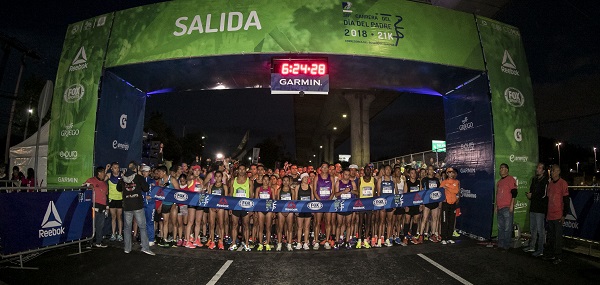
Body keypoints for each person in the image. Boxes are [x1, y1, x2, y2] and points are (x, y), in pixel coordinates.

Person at [117, 168, 154, 255]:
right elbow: (146, 188)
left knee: (127, 228)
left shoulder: (123, 179)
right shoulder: (138, 177)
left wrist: (121, 179)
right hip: (137, 205)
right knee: (142, 227)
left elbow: (118, 189)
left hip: (127, 206)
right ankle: (145, 248)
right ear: (135, 170)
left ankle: (127, 248)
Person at [544, 164, 570, 264]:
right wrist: (547, 214)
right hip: (550, 215)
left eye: (554, 170)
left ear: (558, 172)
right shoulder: (550, 184)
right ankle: (551, 254)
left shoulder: (563, 183)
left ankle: (558, 256)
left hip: (558, 215)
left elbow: (566, 200)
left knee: (558, 237)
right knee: (551, 236)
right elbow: (547, 200)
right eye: (551, 170)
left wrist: (564, 215)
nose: (552, 172)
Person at [524, 162, 548, 257]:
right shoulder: (534, 179)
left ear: (543, 171)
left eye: (539, 168)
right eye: (537, 167)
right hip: (533, 207)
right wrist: (530, 195)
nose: (537, 169)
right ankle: (532, 246)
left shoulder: (545, 181)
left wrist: (532, 195)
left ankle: (540, 249)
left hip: (540, 209)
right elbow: (531, 191)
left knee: (540, 230)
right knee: (532, 229)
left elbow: (544, 194)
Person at [229, 164, 253, 251]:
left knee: (246, 225)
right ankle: (233, 243)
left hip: (246, 206)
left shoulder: (249, 181)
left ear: (245, 171)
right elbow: (231, 194)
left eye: (243, 169)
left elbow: (251, 195)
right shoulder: (233, 180)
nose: (242, 171)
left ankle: (246, 243)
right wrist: (230, 207)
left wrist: (251, 208)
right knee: (234, 225)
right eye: (240, 169)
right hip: (235, 206)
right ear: (238, 170)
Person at [85, 166, 109, 248]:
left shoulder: (105, 184)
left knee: (100, 225)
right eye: (103, 172)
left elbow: (106, 195)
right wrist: (88, 186)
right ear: (99, 173)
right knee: (92, 225)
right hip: (93, 206)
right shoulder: (91, 180)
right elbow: (83, 186)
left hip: (102, 207)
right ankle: (89, 242)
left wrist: (107, 207)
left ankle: (98, 241)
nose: (104, 174)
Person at [333, 168, 358, 249]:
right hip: (340, 205)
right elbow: (336, 194)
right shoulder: (338, 182)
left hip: (349, 205)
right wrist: (342, 192)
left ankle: (347, 240)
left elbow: (357, 192)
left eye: (348, 175)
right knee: (339, 224)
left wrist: (350, 190)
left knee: (348, 224)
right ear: (342, 175)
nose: (347, 176)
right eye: (345, 174)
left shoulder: (352, 182)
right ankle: (337, 241)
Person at [312, 162, 334, 250]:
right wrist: (319, 200)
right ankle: (316, 241)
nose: (324, 169)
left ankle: (327, 241)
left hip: (328, 203)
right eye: (323, 167)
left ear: (328, 169)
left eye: (326, 167)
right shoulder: (317, 177)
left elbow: (333, 191)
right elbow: (314, 190)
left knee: (328, 222)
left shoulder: (331, 177)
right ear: (320, 168)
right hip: (319, 202)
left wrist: (329, 201)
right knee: (317, 222)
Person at [495, 163, 517, 250]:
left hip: (507, 207)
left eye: (502, 168)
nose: (500, 169)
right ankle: (500, 245)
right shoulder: (499, 182)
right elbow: (498, 194)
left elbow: (514, 192)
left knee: (507, 228)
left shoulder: (511, 179)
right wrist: (496, 206)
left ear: (507, 170)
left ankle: (506, 246)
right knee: (501, 228)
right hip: (500, 207)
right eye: (500, 168)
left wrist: (511, 204)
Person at [419, 166, 441, 243]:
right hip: (427, 202)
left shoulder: (437, 180)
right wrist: (421, 203)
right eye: (429, 169)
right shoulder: (424, 180)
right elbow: (421, 191)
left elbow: (439, 190)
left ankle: (433, 235)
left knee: (434, 219)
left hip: (435, 202)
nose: (431, 171)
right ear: (427, 171)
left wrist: (439, 201)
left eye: (432, 169)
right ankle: (421, 235)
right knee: (424, 219)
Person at [207, 171, 228, 250]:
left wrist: (220, 206)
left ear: (221, 177)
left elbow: (226, 199)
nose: (218, 178)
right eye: (216, 176)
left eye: (219, 176)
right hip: (212, 207)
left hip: (221, 207)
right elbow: (209, 197)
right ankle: (212, 241)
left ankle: (221, 241)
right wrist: (211, 206)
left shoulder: (224, 186)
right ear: (214, 177)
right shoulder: (211, 186)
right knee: (211, 224)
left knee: (221, 224)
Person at [356, 164, 375, 249]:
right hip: (361, 204)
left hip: (370, 204)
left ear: (371, 171)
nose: (368, 171)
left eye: (369, 170)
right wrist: (357, 205)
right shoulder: (360, 180)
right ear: (363, 171)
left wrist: (374, 205)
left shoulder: (374, 180)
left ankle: (366, 240)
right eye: (366, 169)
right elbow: (358, 193)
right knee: (360, 222)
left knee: (368, 223)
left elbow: (375, 193)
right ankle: (359, 240)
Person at [440, 167, 459, 245]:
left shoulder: (456, 182)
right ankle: (443, 238)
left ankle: (450, 237)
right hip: (445, 204)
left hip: (453, 204)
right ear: (447, 173)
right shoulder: (443, 182)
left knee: (451, 221)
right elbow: (440, 191)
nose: (451, 174)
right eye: (450, 172)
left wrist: (447, 188)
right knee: (444, 221)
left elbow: (456, 191)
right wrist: (448, 188)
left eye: (452, 172)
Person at [105, 162, 124, 242]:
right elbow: (102, 179)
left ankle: (119, 234)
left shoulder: (122, 175)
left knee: (119, 217)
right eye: (115, 167)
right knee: (113, 217)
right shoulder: (109, 175)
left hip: (120, 199)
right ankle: (113, 234)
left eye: (118, 167)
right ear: (112, 168)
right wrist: (106, 169)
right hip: (111, 199)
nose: (117, 168)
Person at [255, 175, 274, 251]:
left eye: (267, 180)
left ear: (269, 181)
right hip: (260, 209)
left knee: (268, 228)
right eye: (264, 180)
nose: (265, 181)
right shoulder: (258, 189)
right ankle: (260, 243)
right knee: (261, 227)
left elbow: (274, 201)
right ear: (262, 181)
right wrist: (256, 211)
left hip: (269, 209)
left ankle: (268, 243)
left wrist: (273, 212)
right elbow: (256, 201)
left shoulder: (271, 189)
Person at [276, 176, 295, 251]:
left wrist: (291, 210)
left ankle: (289, 244)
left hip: (290, 211)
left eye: (287, 180)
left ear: (289, 182)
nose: (286, 182)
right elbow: (277, 201)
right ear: (282, 181)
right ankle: (279, 244)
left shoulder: (292, 190)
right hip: (281, 211)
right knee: (280, 228)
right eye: (284, 180)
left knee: (290, 228)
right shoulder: (279, 190)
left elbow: (294, 202)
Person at [295, 173, 313, 250]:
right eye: (304, 177)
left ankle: (306, 242)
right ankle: (299, 242)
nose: (306, 178)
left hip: (308, 209)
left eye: (307, 177)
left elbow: (312, 199)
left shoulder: (310, 187)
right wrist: (296, 209)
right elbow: (295, 199)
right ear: (301, 179)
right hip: (300, 209)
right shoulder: (297, 187)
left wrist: (312, 210)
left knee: (307, 227)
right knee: (299, 227)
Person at [403, 168, 421, 245]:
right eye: (412, 173)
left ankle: (413, 236)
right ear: (409, 174)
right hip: (409, 205)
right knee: (407, 220)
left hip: (417, 204)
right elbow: (404, 195)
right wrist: (406, 205)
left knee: (415, 220)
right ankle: (405, 237)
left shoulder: (418, 182)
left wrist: (421, 204)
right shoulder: (407, 183)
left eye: (414, 173)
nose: (413, 174)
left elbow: (421, 194)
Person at [140, 165, 157, 246]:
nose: (145, 173)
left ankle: (151, 239)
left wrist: (151, 196)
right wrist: (143, 196)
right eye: (144, 171)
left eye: (146, 171)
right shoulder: (140, 180)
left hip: (151, 204)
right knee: (142, 222)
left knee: (150, 221)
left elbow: (157, 192)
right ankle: (144, 239)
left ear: (149, 172)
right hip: (142, 204)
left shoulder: (153, 181)